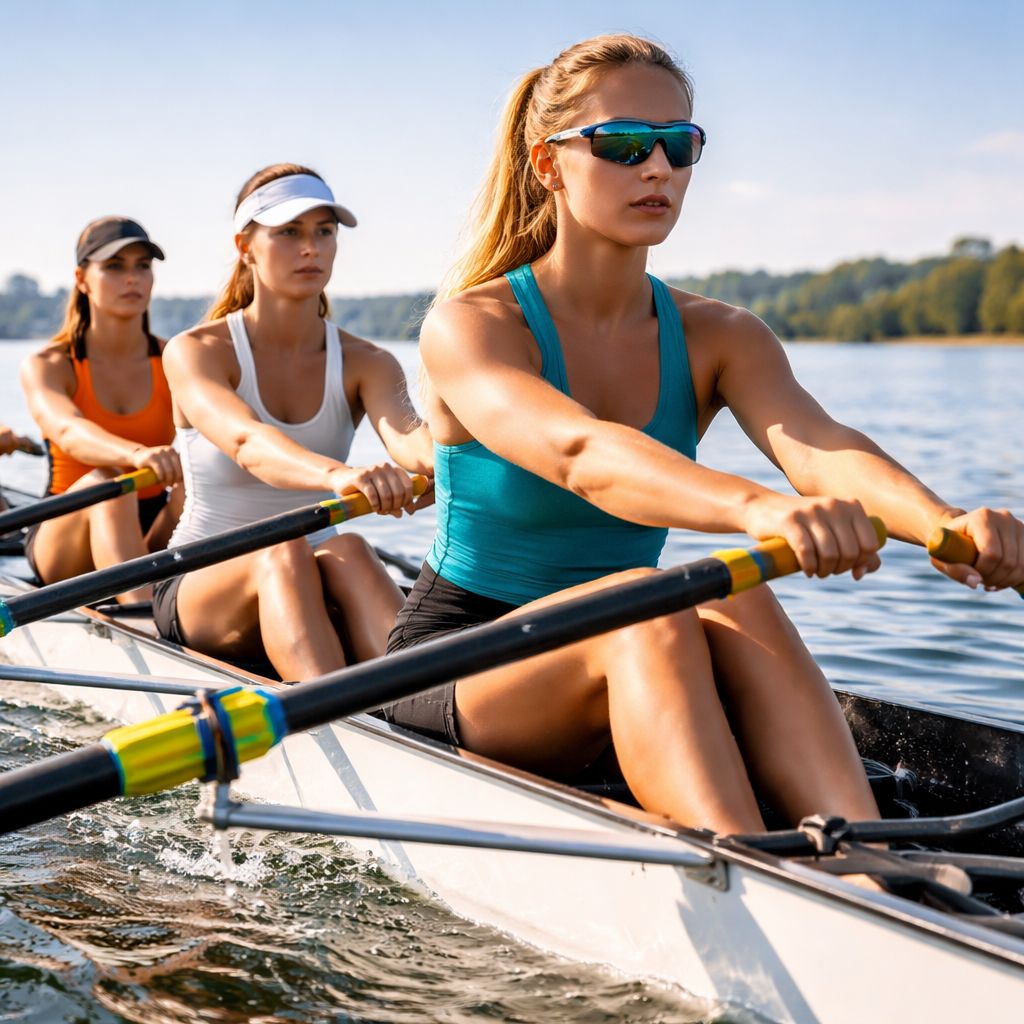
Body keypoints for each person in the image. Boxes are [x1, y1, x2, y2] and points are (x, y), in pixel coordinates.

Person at [382, 34, 1024, 836]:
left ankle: (863, 862)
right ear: (549, 165)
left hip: (638, 639)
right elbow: (582, 454)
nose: (657, 169)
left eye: (678, 146)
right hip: (462, 658)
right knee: (648, 607)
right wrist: (763, 511)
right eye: (621, 144)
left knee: (735, 595)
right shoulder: (472, 325)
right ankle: (760, 874)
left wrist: (945, 523)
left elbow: (820, 447)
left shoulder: (723, 334)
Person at [157, 163, 433, 680]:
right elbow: (247, 442)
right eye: (289, 232)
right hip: (200, 584)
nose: (312, 248)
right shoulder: (196, 352)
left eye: (324, 232)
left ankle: (419, 708)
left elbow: (413, 441)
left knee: (350, 545)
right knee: (281, 551)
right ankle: (337, 721)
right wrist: (339, 477)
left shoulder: (368, 362)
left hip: (318, 571)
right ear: (245, 246)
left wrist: (459, 460)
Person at [20, 218, 181, 602]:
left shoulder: (176, 359)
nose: (133, 278)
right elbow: (67, 431)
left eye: (143, 266)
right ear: (81, 278)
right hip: (67, 531)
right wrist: (137, 455)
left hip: (152, 526)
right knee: (107, 482)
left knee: (202, 483)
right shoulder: (51, 363)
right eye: (114, 266)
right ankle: (145, 618)